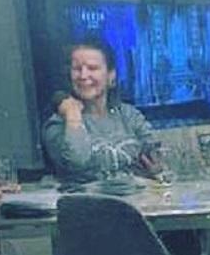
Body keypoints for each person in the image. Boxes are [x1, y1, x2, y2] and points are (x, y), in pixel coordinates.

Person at [42, 37, 162, 186]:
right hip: (85, 200)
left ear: (111, 75)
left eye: (92, 68)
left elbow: (154, 156)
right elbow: (77, 160)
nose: (83, 76)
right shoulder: (58, 124)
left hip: (138, 197)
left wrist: (155, 168)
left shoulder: (129, 115)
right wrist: (72, 114)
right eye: (77, 69)